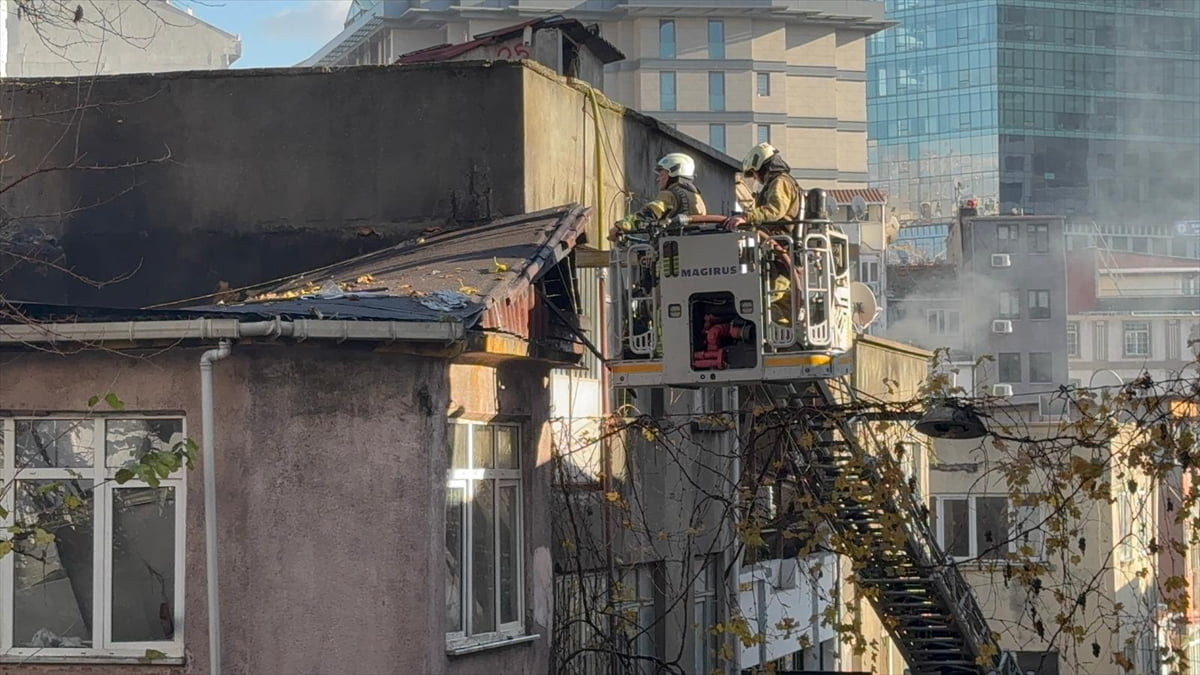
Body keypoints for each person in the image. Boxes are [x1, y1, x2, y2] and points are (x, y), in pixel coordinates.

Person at [724, 143, 804, 326]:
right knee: (782, 302)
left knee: (769, 301)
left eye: (754, 173)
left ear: (761, 166)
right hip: (780, 253)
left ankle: (780, 335)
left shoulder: (780, 182)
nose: (755, 178)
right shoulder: (779, 182)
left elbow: (775, 210)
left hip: (781, 251)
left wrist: (747, 217)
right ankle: (786, 333)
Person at [609, 153, 707, 241]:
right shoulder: (696, 197)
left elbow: (650, 213)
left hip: (675, 248)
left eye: (662, 175)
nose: (658, 179)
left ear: (673, 173)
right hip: (693, 246)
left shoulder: (670, 195)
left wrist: (620, 226)